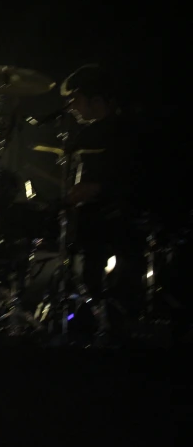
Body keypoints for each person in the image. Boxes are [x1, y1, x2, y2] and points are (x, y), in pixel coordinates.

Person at [60, 64, 148, 337]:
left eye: (76, 98)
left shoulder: (126, 132)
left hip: (121, 217)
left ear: (96, 100)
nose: (72, 105)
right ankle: (92, 322)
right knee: (92, 267)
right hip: (97, 218)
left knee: (115, 270)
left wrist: (98, 189)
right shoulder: (92, 133)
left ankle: (109, 325)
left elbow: (138, 178)